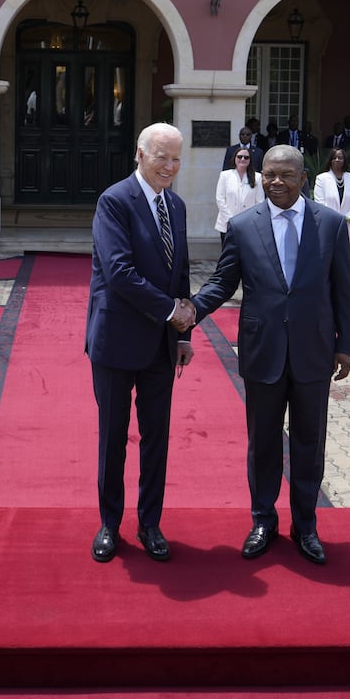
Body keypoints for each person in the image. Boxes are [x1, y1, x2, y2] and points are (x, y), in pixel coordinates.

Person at [190, 144, 350, 566]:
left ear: (304, 178)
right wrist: (190, 310)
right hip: (263, 351)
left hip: (313, 351)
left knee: (308, 442)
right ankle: (263, 520)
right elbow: (223, 281)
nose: (276, 182)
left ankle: (306, 525)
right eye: (268, 175)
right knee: (262, 443)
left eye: (285, 175)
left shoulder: (331, 224)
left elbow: (342, 291)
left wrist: (346, 345)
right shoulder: (243, 225)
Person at [84, 122, 194, 564]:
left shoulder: (179, 206)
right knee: (113, 438)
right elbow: (119, 271)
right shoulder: (114, 201)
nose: (169, 167)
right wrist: (170, 312)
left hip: (161, 347)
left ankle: (150, 523)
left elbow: (180, 272)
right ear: (140, 154)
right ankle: (109, 524)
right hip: (116, 340)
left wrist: (182, 333)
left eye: (176, 159)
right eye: (162, 157)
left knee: (156, 438)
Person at [214, 145, 264, 245]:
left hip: (249, 225)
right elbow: (220, 199)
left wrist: (249, 220)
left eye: (246, 157)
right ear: (235, 158)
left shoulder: (257, 177)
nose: (242, 159)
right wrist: (231, 220)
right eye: (239, 156)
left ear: (250, 160)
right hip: (227, 223)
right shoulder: (225, 175)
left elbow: (260, 202)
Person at [312, 146, 350, 244]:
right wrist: (336, 219)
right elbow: (320, 203)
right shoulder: (321, 178)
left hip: (348, 223)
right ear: (330, 160)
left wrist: (347, 218)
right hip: (328, 223)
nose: (337, 160)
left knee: (345, 256)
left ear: (345, 160)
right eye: (334, 158)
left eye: (340, 158)